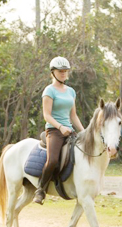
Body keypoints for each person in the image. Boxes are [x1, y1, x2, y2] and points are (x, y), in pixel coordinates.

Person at [33, 56, 85, 204]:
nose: (63, 74)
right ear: (53, 72)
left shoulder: (71, 91)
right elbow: (46, 115)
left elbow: (73, 116)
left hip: (69, 130)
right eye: (60, 71)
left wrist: (83, 131)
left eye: (65, 71)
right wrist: (60, 127)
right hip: (54, 131)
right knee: (53, 160)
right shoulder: (49, 90)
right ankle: (40, 189)